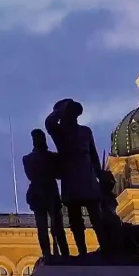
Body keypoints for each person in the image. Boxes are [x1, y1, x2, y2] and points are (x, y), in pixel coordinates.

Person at [45, 98, 106, 255]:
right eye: (68, 112)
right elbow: (49, 122)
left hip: (87, 173)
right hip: (70, 174)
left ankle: (106, 247)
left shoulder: (86, 131)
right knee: (75, 217)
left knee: (96, 215)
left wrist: (99, 174)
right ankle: (82, 252)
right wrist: (60, 109)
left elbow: (94, 155)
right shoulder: (59, 132)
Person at [23, 129, 70, 258]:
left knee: (50, 226)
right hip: (47, 193)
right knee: (51, 227)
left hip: (42, 194)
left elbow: (31, 175)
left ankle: (54, 254)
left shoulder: (29, 159)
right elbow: (59, 174)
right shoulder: (49, 157)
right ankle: (58, 254)